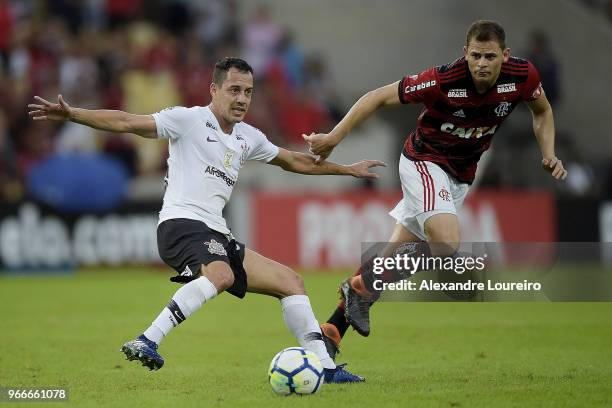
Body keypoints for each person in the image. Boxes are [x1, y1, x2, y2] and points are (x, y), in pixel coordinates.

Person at [28, 57, 383, 383]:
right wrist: (73, 113)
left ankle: (324, 366)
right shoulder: (188, 120)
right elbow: (125, 121)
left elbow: (295, 161)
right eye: (234, 90)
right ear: (214, 90)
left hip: (216, 233)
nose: (242, 98)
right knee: (222, 275)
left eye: (248, 91)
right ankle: (147, 339)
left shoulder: (248, 137)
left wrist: (347, 170)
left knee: (291, 282)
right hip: (181, 225)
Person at [303, 20, 568, 359]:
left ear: (505, 55)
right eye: (476, 56)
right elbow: (376, 97)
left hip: (459, 177)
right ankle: (361, 288)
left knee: (383, 263)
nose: (482, 64)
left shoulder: (523, 76)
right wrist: (333, 138)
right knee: (446, 244)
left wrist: (548, 153)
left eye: (489, 56)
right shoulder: (443, 80)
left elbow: (542, 111)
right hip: (424, 161)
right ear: (465, 54)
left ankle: (330, 337)